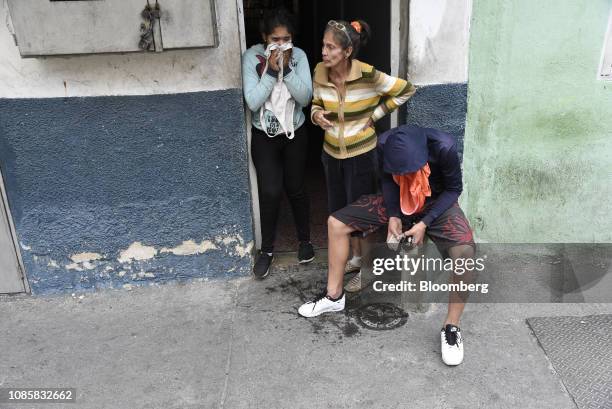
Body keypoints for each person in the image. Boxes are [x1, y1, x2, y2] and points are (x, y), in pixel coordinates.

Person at [298, 125, 476, 366]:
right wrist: (393, 214)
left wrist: (424, 222)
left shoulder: (444, 147)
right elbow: (386, 180)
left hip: (435, 205)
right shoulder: (383, 143)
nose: (406, 174)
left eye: (411, 171)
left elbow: (454, 189)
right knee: (335, 223)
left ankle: (451, 327)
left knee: (465, 254)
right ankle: (333, 296)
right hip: (399, 200)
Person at [311, 20, 416, 289]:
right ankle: (356, 258)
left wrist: (377, 115)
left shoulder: (368, 74)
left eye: (330, 47)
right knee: (342, 212)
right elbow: (315, 102)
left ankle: (368, 269)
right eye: (323, 45)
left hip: (362, 157)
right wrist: (317, 115)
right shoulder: (320, 72)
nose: (324, 51)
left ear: (346, 52)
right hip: (331, 155)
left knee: (364, 217)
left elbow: (406, 89)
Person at [242, 9, 314, 279]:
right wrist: (272, 72)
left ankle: (305, 241)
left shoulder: (300, 56)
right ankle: (267, 251)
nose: (281, 44)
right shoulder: (252, 58)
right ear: (264, 38)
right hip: (265, 137)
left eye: (286, 39)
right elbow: (252, 101)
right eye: (275, 38)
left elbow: (305, 97)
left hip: (295, 132)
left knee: (296, 188)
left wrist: (288, 68)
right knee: (270, 191)